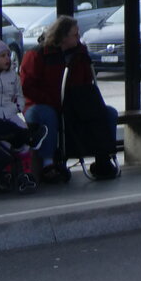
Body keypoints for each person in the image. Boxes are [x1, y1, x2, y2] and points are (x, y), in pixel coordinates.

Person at [20, 16, 119, 182]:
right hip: (41, 104)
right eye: (75, 34)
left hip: (74, 102)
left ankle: (104, 157)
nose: (78, 37)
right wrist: (52, 100)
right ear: (63, 37)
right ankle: (48, 164)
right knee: (48, 115)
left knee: (109, 113)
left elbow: (87, 82)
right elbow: (26, 86)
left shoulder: (80, 55)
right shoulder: (38, 54)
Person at [0, 37, 43, 193]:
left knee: (21, 137)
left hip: (10, 112)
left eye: (8, 55)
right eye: (2, 56)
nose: (7, 59)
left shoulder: (13, 77)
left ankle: (26, 171)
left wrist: (18, 107)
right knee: (6, 140)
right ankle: (6, 172)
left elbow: (19, 95)